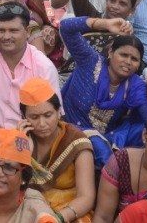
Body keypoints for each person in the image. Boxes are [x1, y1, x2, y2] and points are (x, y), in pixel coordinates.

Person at [59, 17, 147, 165]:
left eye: (134, 59)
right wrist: (105, 24)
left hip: (107, 136)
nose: (128, 62)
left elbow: (146, 114)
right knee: (103, 152)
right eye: (123, 55)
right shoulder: (90, 61)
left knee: (145, 130)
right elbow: (65, 27)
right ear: (110, 52)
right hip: (69, 129)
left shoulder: (135, 84)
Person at [18, 78, 95, 223]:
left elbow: (86, 197)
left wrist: (58, 218)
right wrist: (22, 151)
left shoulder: (76, 142)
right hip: (29, 210)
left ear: (58, 112)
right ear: (24, 117)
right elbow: (13, 187)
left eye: (48, 115)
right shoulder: (19, 139)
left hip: (69, 213)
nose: (42, 124)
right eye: (34, 117)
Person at [0, 2, 59, 128]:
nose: (6, 36)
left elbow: (52, 118)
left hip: (31, 140)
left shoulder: (43, 67)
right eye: (1, 30)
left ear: (26, 32)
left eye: (13, 31)